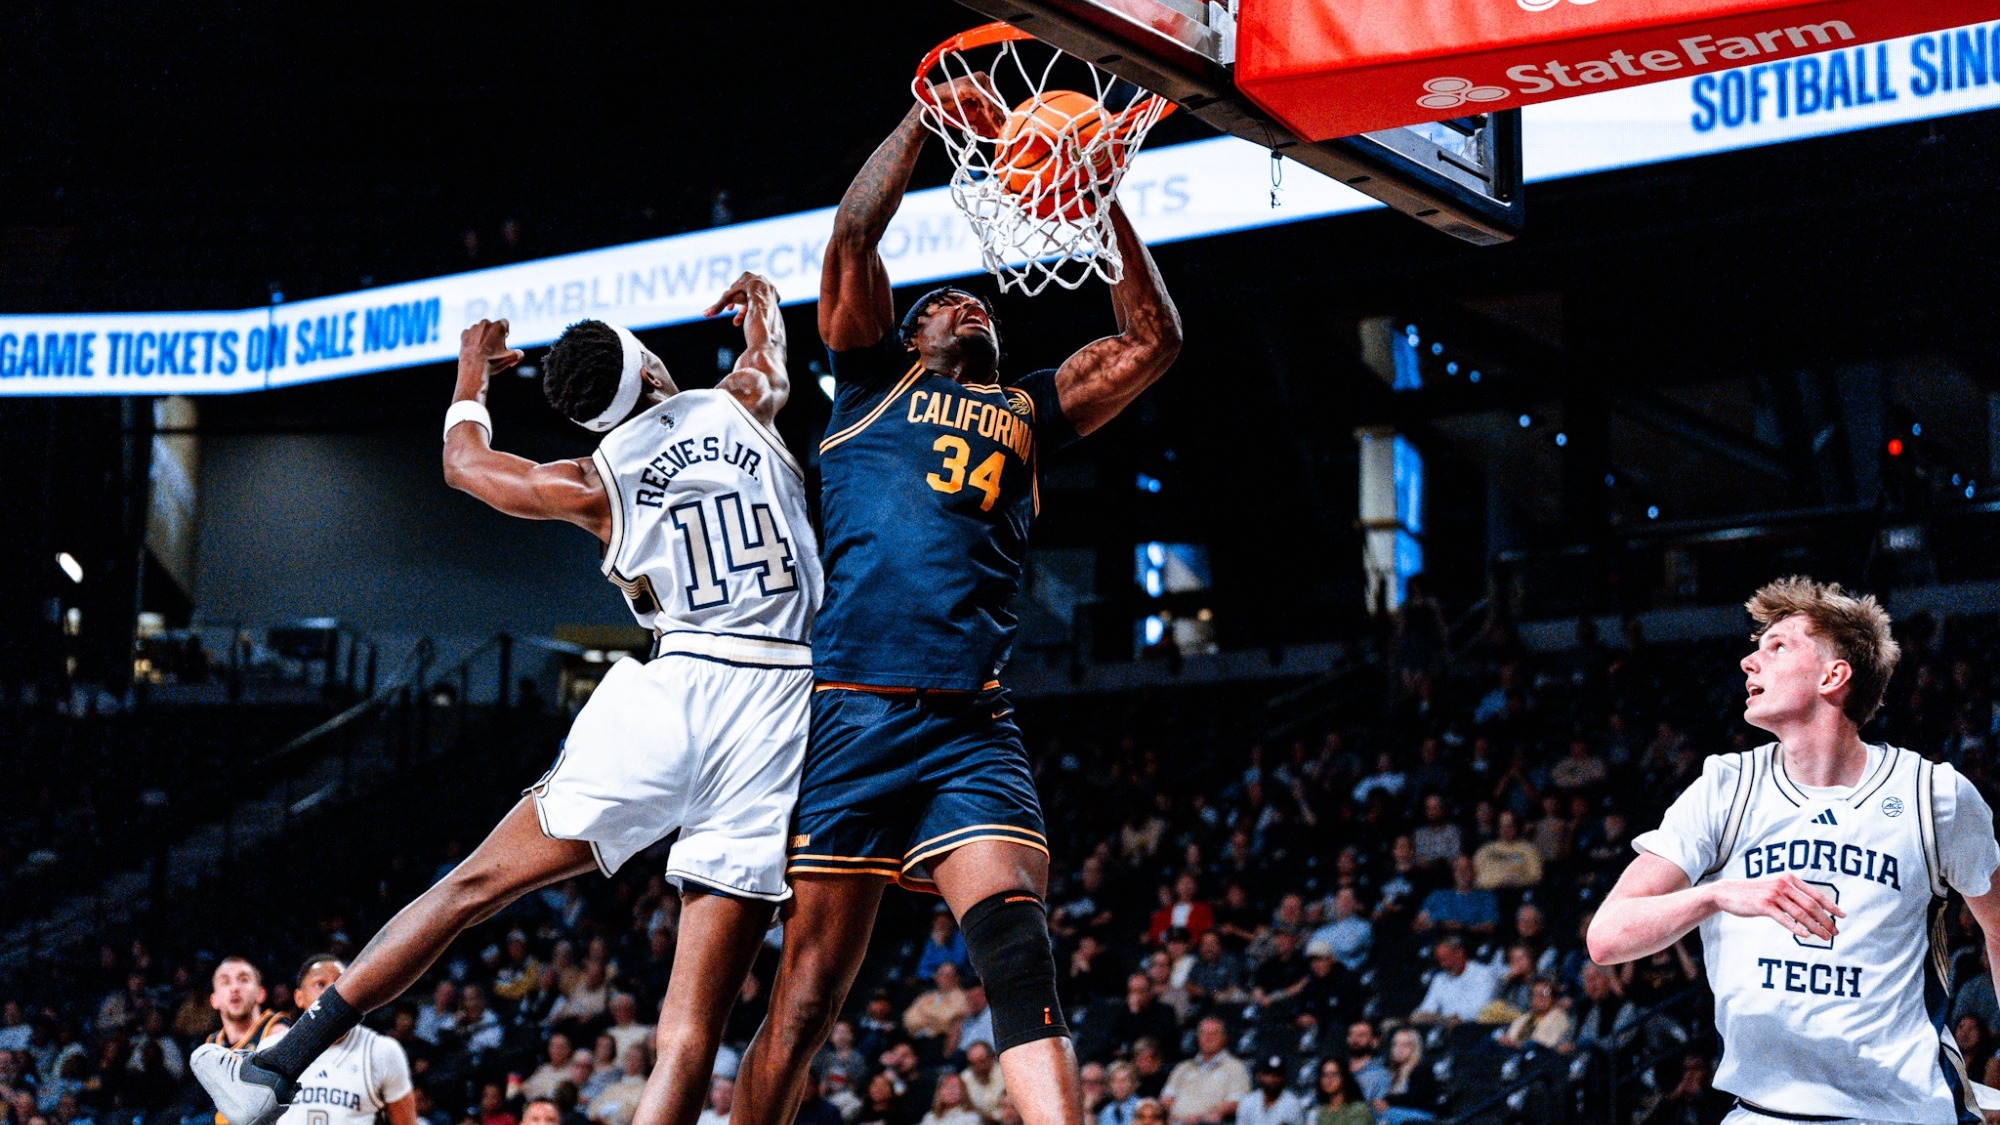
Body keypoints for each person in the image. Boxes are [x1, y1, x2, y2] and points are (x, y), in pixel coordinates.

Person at [194, 274, 821, 1125]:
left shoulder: (592, 479)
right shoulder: (743, 402)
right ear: (654, 370)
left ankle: (278, 1065)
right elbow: (768, 360)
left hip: (673, 689)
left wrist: (471, 374)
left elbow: (464, 465)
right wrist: (764, 308)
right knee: (688, 1032)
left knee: (471, 887)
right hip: (777, 705)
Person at [733, 65, 1180, 1125]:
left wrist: (1094, 191)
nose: (958, 301)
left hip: (970, 722)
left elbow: (1154, 340)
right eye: (938, 303)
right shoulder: (864, 380)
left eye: (972, 300)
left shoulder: (1030, 407)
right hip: (852, 711)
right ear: (910, 334)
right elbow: (850, 237)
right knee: (802, 1005)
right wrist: (925, 115)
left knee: (1018, 952)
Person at [1589, 577, 2000, 1123]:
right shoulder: (1725, 787)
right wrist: (1718, 896)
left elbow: (1997, 926)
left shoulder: (1935, 796)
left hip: (1902, 1110)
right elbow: (1606, 937)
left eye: (1778, 645)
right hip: (1762, 1110)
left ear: (1834, 675)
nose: (1749, 662)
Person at [273, 956, 415, 1125]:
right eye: (320, 984)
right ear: (299, 998)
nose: (331, 993)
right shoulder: (273, 1047)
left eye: (340, 984)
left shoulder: (382, 1051)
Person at [1159, 1018, 1249, 1125]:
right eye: (1203, 1034)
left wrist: (1199, 1119)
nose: (1208, 1038)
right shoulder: (1183, 1067)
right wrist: (1169, 1118)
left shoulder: (1236, 1067)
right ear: (1198, 1038)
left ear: (1224, 1038)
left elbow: (1236, 1102)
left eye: (1214, 1034)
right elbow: (1166, 1098)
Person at [206, 959, 290, 1055]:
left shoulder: (278, 1032)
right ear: (214, 1000)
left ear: (260, 994)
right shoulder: (212, 1045)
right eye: (225, 982)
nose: (234, 988)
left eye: (244, 980)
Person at [1233, 1058, 1307, 1125]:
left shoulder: (1293, 1104)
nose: (1273, 1079)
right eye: (1268, 1074)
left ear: (1284, 1078)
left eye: (1277, 1074)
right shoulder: (1248, 1102)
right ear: (1259, 1076)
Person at [1307, 1058, 1370, 1125]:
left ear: (1344, 1077)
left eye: (1333, 1075)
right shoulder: (1322, 1110)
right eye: (1324, 1075)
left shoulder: (1357, 1109)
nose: (1328, 1080)